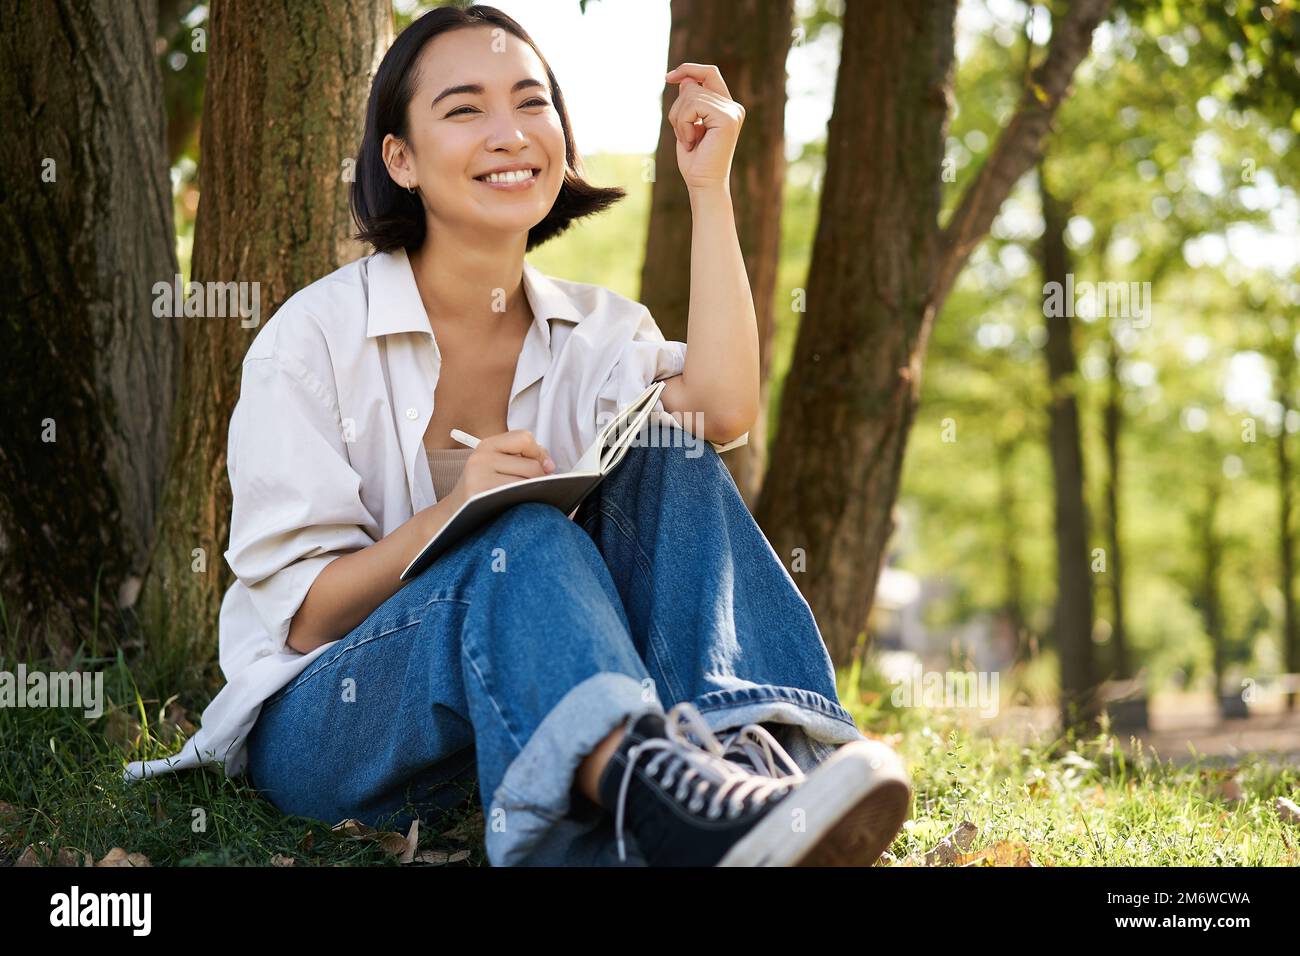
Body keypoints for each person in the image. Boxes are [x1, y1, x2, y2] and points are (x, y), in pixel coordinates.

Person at [123, 4, 912, 867]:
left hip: (526, 711)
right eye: (464, 110)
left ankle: (748, 768)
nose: (510, 133)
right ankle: (668, 804)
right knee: (520, 536)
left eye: (532, 104)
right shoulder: (312, 340)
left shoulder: (595, 330)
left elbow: (721, 411)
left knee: (668, 450)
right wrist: (461, 513)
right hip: (335, 728)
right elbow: (305, 621)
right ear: (402, 158)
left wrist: (708, 185)